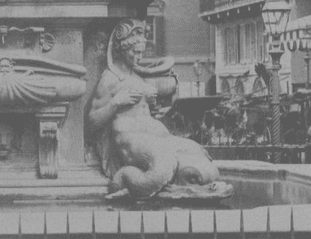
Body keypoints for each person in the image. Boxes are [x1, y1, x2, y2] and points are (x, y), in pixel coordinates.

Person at [88, 19, 224, 201]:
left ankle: (189, 186)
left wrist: (152, 106)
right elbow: (91, 122)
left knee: (197, 151)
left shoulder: (136, 78)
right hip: (130, 142)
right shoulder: (110, 79)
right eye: (134, 52)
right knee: (162, 166)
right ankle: (126, 179)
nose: (139, 57)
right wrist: (117, 102)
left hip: (156, 137)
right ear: (121, 50)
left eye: (141, 53)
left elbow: (145, 115)